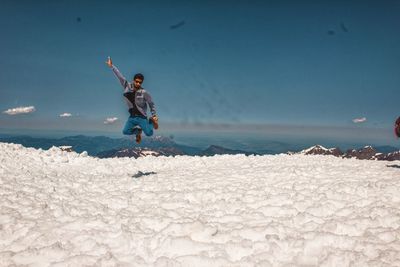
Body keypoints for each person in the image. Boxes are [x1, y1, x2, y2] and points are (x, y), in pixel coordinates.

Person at [106, 57, 158, 143]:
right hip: (132, 117)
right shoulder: (127, 86)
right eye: (137, 81)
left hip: (142, 117)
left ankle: (151, 122)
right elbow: (120, 76)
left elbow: (151, 104)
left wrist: (154, 115)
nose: (138, 83)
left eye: (140, 82)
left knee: (149, 133)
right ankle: (138, 132)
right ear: (133, 80)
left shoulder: (144, 92)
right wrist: (112, 66)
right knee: (125, 131)